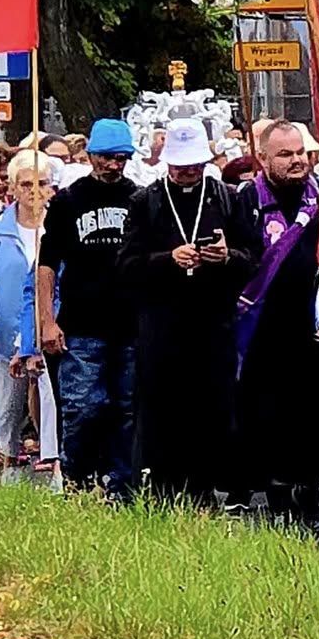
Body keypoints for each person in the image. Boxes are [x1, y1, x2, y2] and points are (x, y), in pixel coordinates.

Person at [118, 118, 257, 500]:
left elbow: (252, 258)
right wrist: (167, 259)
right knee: (161, 411)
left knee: (212, 409)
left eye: (193, 165)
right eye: (180, 166)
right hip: (162, 326)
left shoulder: (227, 197)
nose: (186, 173)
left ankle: (205, 490)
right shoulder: (145, 202)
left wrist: (226, 256)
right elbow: (126, 266)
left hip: (213, 323)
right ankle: (160, 488)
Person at [233, 121, 319, 527]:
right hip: (263, 328)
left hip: (315, 326)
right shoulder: (246, 202)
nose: (296, 162)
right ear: (263, 159)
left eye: (300, 153)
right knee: (269, 414)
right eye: (285, 155)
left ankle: (309, 487)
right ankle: (278, 491)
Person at [36, 118, 139, 499]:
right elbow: (46, 264)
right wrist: (46, 320)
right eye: (108, 157)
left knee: (127, 410)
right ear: (91, 155)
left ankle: (123, 488)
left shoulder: (138, 198)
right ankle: (78, 482)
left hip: (129, 324)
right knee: (82, 407)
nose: (115, 165)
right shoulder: (68, 201)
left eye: (122, 158)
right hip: (80, 324)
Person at [0, 150, 60, 474]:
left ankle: (53, 461)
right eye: (26, 184)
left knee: (50, 402)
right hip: (4, 332)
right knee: (7, 404)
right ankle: (8, 458)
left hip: (48, 329)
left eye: (42, 183)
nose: (34, 191)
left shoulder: (58, 226)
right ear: (13, 188)